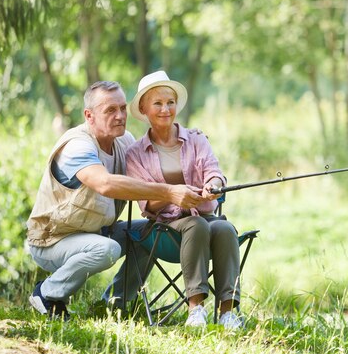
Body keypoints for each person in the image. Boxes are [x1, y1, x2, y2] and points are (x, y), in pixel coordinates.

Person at [26, 80, 206, 320]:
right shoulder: (77, 146)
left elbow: (156, 161)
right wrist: (170, 192)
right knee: (108, 249)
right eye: (110, 110)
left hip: (97, 232)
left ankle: (114, 304)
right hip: (54, 239)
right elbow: (105, 183)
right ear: (89, 116)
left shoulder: (124, 141)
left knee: (153, 232)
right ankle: (48, 294)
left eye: (122, 108)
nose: (120, 116)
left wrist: (193, 142)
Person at [124, 70, 242, 329]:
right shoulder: (135, 154)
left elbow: (214, 172)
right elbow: (146, 203)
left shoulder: (197, 139)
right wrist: (175, 196)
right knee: (196, 225)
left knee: (224, 227)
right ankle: (195, 309)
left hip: (206, 218)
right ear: (144, 108)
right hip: (164, 229)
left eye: (170, 102)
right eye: (158, 103)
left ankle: (228, 312)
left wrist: (214, 185)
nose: (166, 109)